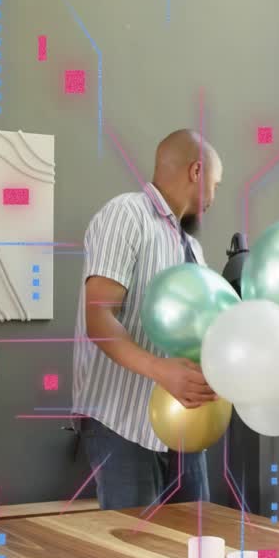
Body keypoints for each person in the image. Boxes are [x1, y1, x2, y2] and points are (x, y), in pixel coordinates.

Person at [72, 129, 223, 509]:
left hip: (185, 422)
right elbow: (99, 319)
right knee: (133, 554)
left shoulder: (193, 248)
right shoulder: (126, 214)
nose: (215, 198)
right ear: (196, 171)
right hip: (122, 423)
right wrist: (163, 371)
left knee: (193, 547)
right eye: (216, 184)